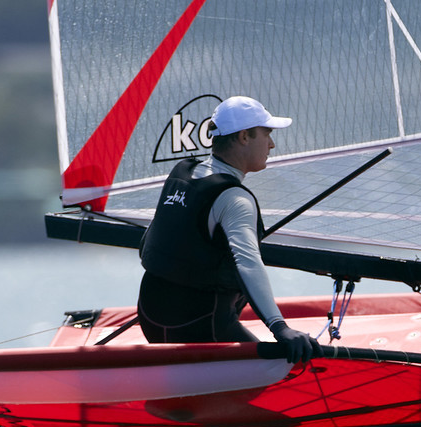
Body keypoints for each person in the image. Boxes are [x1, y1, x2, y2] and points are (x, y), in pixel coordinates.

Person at [136, 95, 317, 363]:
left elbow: (149, 244)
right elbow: (249, 265)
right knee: (284, 373)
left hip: (150, 317)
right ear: (244, 136)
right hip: (200, 326)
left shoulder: (181, 172)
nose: (272, 144)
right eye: (266, 134)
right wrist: (280, 328)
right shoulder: (234, 198)